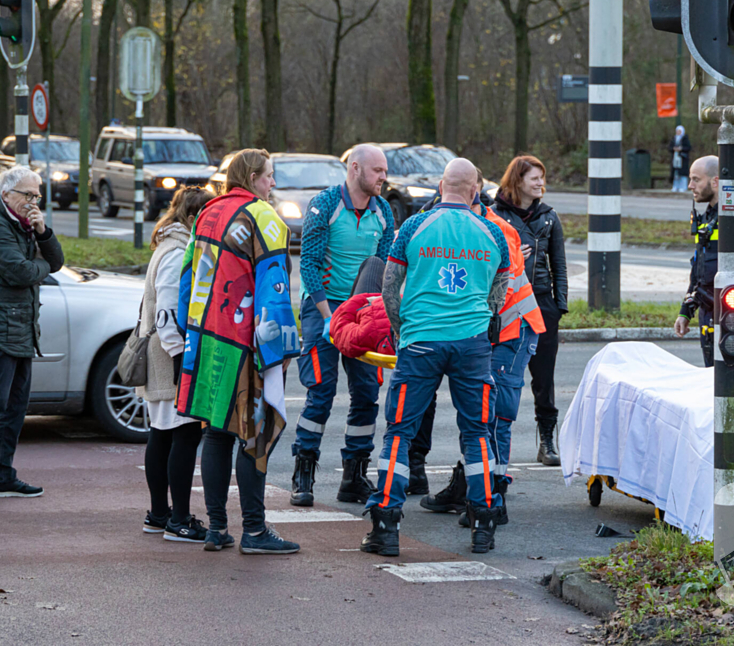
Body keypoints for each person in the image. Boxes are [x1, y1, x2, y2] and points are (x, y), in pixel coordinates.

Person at [360, 158, 510, 557]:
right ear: (476, 190)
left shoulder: (412, 227)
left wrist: (399, 328)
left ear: (440, 186)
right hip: (472, 345)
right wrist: (482, 319)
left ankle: (386, 525)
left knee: (399, 432)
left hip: (420, 341)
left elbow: (390, 287)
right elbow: (500, 293)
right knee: (477, 433)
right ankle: (483, 523)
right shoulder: (492, 234)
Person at [175, 148, 301, 554]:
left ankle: (216, 528)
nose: (273, 183)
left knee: (215, 433)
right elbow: (274, 288)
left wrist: (190, 329)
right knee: (255, 433)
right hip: (246, 342)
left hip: (208, 339)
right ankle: (255, 530)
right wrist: (280, 349)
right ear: (251, 177)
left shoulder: (209, 212)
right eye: (268, 175)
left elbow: (188, 278)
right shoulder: (263, 216)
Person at [408, 169, 546, 527]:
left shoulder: (497, 229)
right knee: (477, 417)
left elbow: (497, 292)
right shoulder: (468, 223)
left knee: (494, 415)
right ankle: (473, 486)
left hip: (511, 328)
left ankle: (493, 496)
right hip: (490, 329)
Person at [290, 144, 394, 507]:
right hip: (324, 306)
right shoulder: (325, 206)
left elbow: (382, 271)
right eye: (378, 170)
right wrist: (328, 316)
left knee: (367, 393)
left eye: (384, 170)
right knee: (321, 390)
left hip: (363, 310)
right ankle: (303, 472)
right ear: (355, 169)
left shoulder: (383, 212)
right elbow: (309, 266)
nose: (384, 177)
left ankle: (354, 475)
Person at [0, 166, 64, 505]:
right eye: (28, 195)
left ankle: (2, 475)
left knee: (16, 405)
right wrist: (41, 267)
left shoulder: (23, 225)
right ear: (6, 194)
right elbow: (21, 273)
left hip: (21, 325)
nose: (34, 202)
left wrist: (43, 233)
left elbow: (57, 262)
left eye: (38, 196)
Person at [138, 185, 214, 542]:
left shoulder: (168, 244)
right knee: (183, 433)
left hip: (162, 351)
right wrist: (183, 359)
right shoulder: (178, 250)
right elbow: (169, 311)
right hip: (171, 353)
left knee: (163, 434)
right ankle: (180, 519)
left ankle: (159, 513)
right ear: (196, 217)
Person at [491, 156, 567, 466]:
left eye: (542, 177)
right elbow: (485, 261)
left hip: (542, 302)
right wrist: (508, 257)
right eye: (534, 178)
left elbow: (559, 264)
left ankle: (547, 440)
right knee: (501, 374)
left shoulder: (549, 217)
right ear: (517, 180)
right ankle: (492, 440)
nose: (540, 183)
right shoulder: (494, 216)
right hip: (506, 303)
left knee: (543, 377)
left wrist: (559, 306)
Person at [673, 156, 734, 368]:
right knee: (712, 375)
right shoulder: (707, 217)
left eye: (696, 179)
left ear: (715, 182)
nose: (690, 186)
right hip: (707, 309)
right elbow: (698, 269)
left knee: (732, 373)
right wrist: (686, 310)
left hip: (731, 311)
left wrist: (727, 309)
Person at [668, 125, 692, 193]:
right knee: (675, 173)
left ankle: (683, 187)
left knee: (682, 174)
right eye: (677, 131)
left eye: (679, 131)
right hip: (675, 159)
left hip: (682, 159)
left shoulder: (685, 139)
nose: (678, 132)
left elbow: (688, 148)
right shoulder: (674, 139)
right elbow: (670, 147)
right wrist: (673, 149)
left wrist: (681, 149)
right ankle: (675, 186)